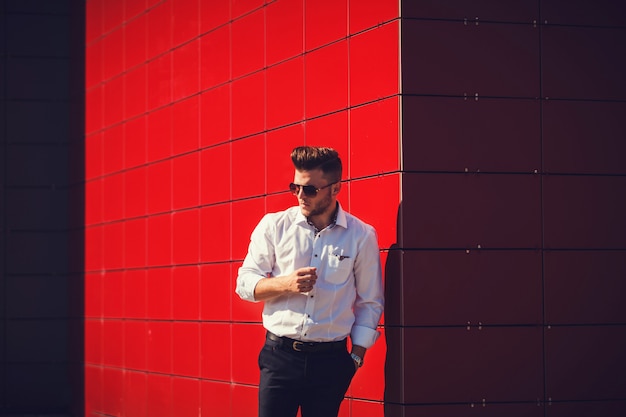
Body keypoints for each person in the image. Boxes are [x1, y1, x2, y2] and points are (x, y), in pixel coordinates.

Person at [236, 146, 384, 417]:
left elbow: (370, 301)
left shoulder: (361, 235)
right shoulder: (274, 226)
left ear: (335, 188)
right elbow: (245, 284)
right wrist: (286, 284)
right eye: (296, 187)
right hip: (280, 357)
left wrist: (356, 358)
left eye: (310, 190)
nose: (300, 196)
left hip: (331, 363)